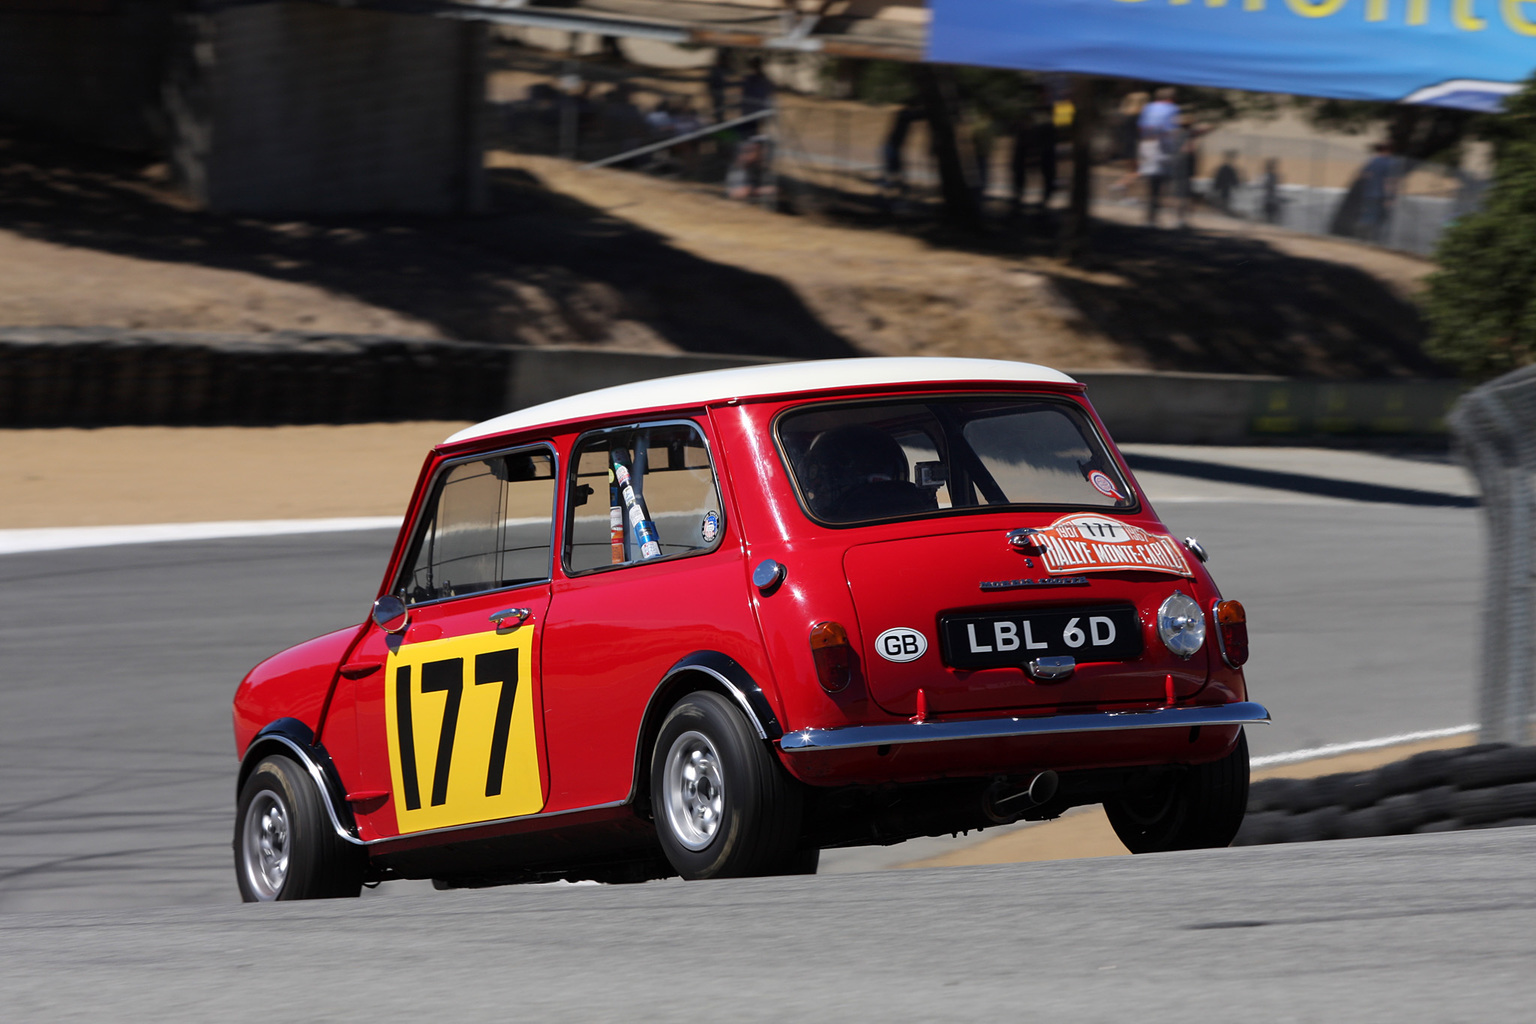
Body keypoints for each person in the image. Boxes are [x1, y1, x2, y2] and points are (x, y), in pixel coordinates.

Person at [1356, 142, 1398, 243]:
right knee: (1377, 217)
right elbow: (1389, 181)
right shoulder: (1390, 163)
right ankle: (1373, 240)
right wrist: (1390, 197)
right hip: (1380, 195)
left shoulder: (1372, 161)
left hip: (1368, 193)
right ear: (1388, 151)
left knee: (1366, 214)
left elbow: (1364, 175)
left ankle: (1361, 237)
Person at [1211, 150, 1241, 215]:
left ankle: (1222, 209)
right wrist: (1236, 184)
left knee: (1223, 198)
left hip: (1222, 186)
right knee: (1224, 198)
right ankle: (1223, 210)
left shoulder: (1224, 168)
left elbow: (1218, 177)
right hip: (1225, 187)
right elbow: (1233, 178)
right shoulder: (1228, 168)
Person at [1260, 158, 1283, 224]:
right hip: (1270, 200)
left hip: (1269, 200)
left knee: (1270, 218)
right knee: (1270, 219)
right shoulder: (1271, 176)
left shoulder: (1268, 176)